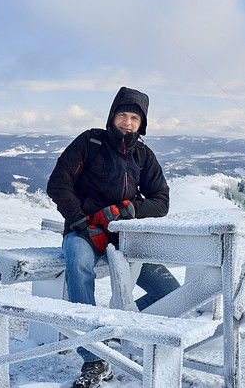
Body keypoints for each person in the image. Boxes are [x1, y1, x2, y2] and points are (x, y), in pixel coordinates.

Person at [47, 87, 180, 388]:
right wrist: (82, 222)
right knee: (79, 268)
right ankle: (94, 358)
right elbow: (58, 183)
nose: (128, 123)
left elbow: (161, 200)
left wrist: (130, 208)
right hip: (82, 231)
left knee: (171, 293)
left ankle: (109, 328)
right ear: (112, 116)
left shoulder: (143, 155)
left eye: (135, 118)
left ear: (141, 124)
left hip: (123, 237)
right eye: (123, 115)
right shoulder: (90, 142)